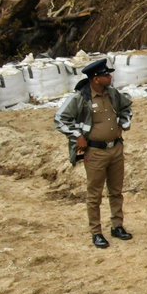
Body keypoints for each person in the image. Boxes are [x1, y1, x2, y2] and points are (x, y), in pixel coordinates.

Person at [54, 58, 133, 249]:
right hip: (95, 152)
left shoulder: (112, 94)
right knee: (94, 194)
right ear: (96, 79)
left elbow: (127, 107)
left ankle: (117, 226)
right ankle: (96, 232)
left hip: (115, 149)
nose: (110, 77)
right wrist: (77, 136)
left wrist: (124, 122)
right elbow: (60, 119)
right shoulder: (81, 98)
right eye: (106, 75)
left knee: (116, 191)